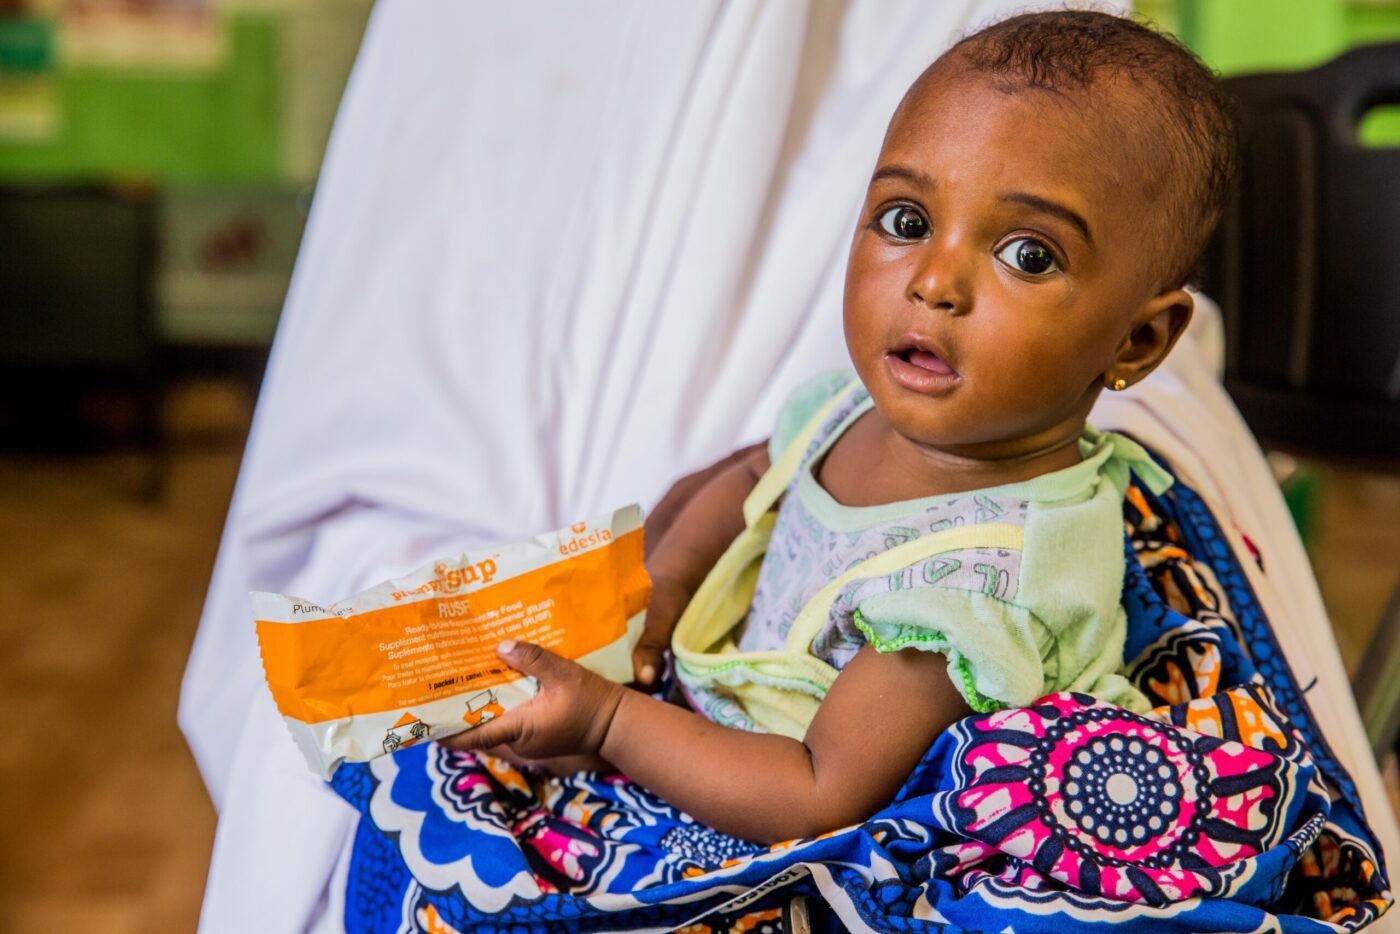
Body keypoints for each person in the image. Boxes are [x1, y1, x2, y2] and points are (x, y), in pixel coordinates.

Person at [443, 8, 1240, 846]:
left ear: (1138, 339)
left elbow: (816, 794)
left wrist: (608, 725)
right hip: (729, 720)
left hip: (795, 805)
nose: (934, 282)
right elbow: (753, 479)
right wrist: (663, 591)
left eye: (1028, 255)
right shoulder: (856, 409)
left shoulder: (980, 588)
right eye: (906, 222)